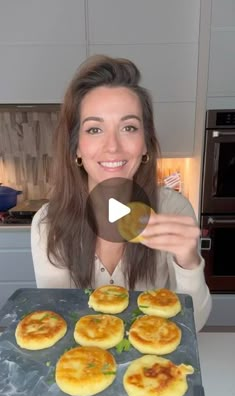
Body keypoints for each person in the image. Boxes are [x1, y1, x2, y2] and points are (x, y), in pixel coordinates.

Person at [31, 54, 212, 332]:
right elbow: (58, 323)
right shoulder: (48, 223)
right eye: (94, 129)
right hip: (83, 368)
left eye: (128, 127)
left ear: (145, 144)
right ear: (76, 147)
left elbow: (193, 326)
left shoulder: (173, 210)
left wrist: (188, 261)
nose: (112, 146)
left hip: (154, 370)